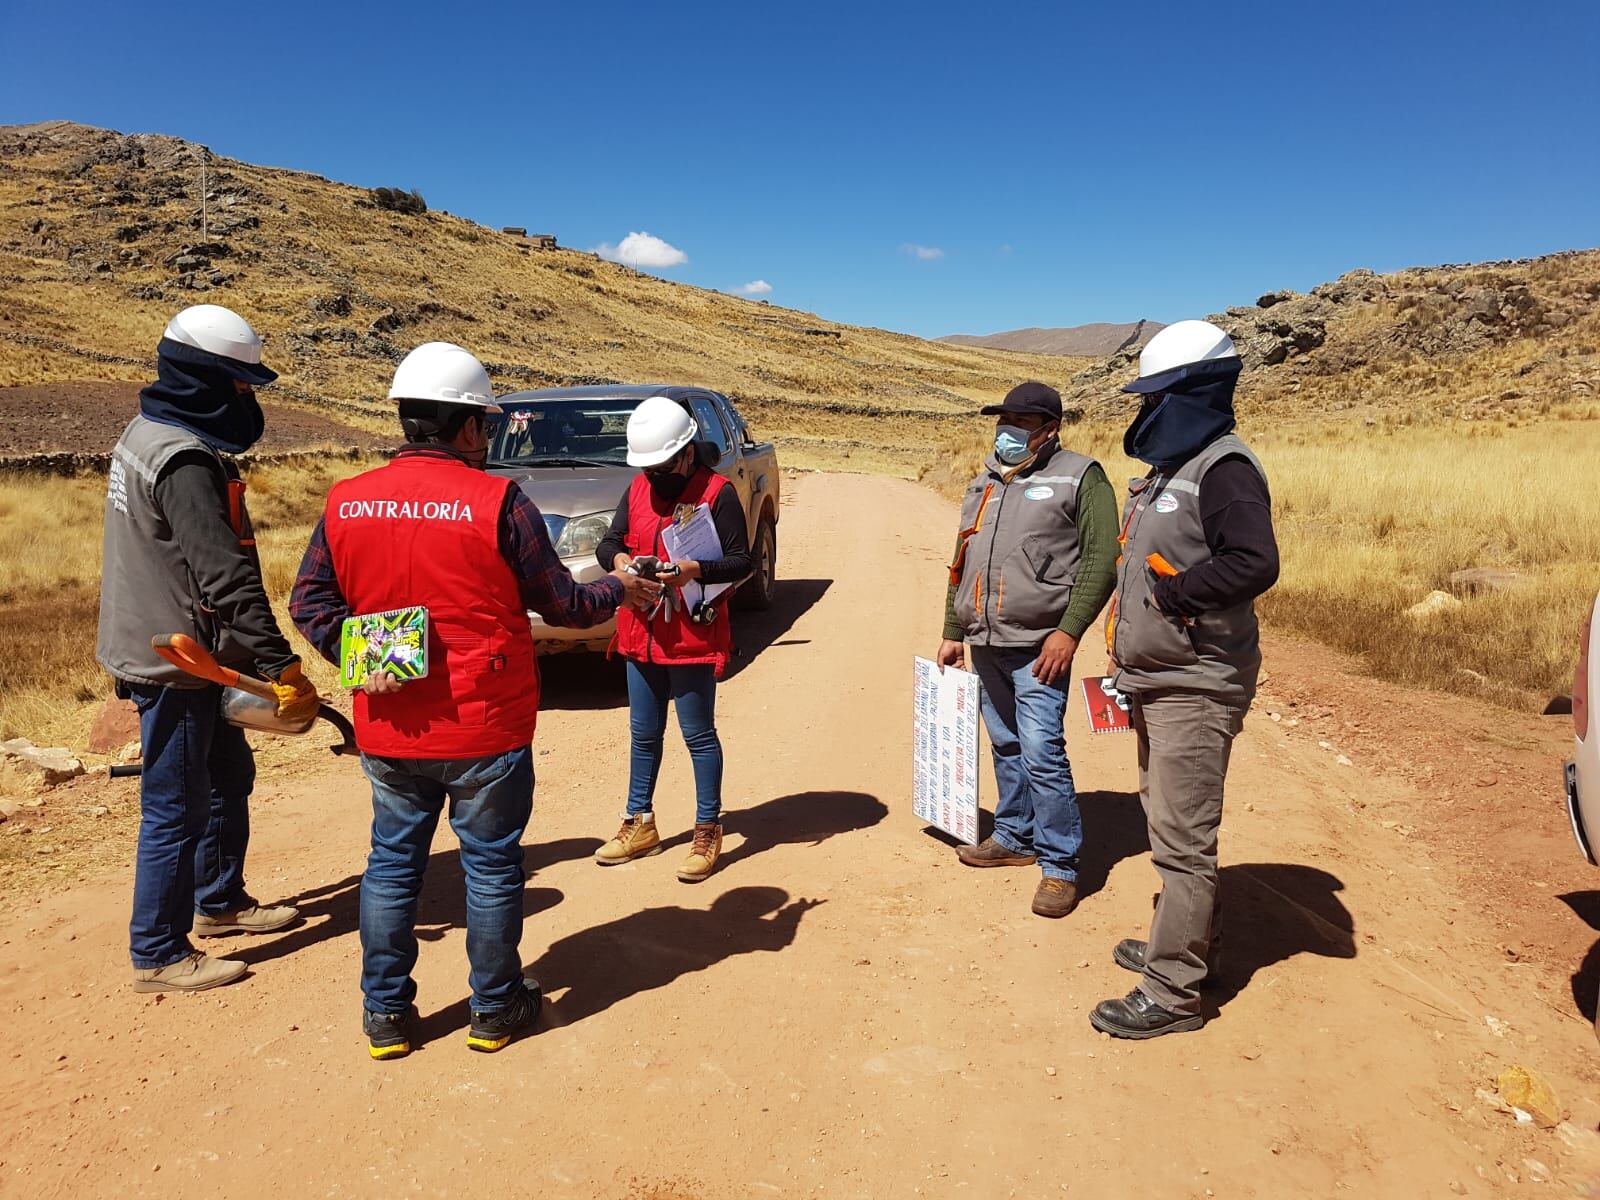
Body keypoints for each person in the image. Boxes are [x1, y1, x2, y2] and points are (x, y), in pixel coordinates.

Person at [289, 342, 661, 1061]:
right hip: (485, 723)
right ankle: (494, 1010)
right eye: (485, 427)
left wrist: (367, 658)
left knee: (392, 866)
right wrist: (622, 588)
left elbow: (310, 603)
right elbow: (566, 604)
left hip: (391, 725)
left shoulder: (346, 499)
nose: (487, 441)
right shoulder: (500, 502)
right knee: (491, 866)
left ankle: (386, 1019)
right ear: (465, 427)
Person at [97, 304, 316, 994]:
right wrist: (279, 664)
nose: (247, 398)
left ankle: (220, 903)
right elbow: (224, 575)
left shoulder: (146, 432)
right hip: (179, 661)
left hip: (170, 641)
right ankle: (158, 951)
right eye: (240, 385)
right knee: (176, 804)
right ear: (204, 380)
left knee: (228, 779)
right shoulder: (183, 459)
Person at [1090, 320, 1280, 1040]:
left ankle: (1172, 994)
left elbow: (1254, 561)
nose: (1146, 409)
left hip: (1196, 681)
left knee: (1182, 841)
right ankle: (1190, 948)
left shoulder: (1224, 467)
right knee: (1170, 822)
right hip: (1160, 676)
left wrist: (1175, 598)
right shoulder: (1177, 464)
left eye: (1157, 394)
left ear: (1194, 393)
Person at [937, 381, 1118, 917]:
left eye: (1020, 421)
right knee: (1006, 743)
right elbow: (960, 561)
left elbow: (1103, 557)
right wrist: (953, 629)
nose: (1007, 430)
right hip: (985, 639)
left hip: (1041, 644)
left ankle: (1060, 866)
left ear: (1049, 429)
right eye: (1003, 419)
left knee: (1042, 749)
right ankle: (1015, 836)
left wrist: (1070, 631)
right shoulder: (984, 482)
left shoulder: (1080, 477)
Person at [592, 395, 753, 882]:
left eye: (664, 465)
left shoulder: (717, 491)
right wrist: (622, 566)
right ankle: (639, 823)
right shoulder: (638, 487)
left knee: (698, 735)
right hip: (640, 632)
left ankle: (708, 828)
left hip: (691, 634)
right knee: (643, 734)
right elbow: (609, 544)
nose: (656, 475)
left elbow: (741, 560)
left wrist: (693, 570)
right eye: (649, 467)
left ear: (686, 453)